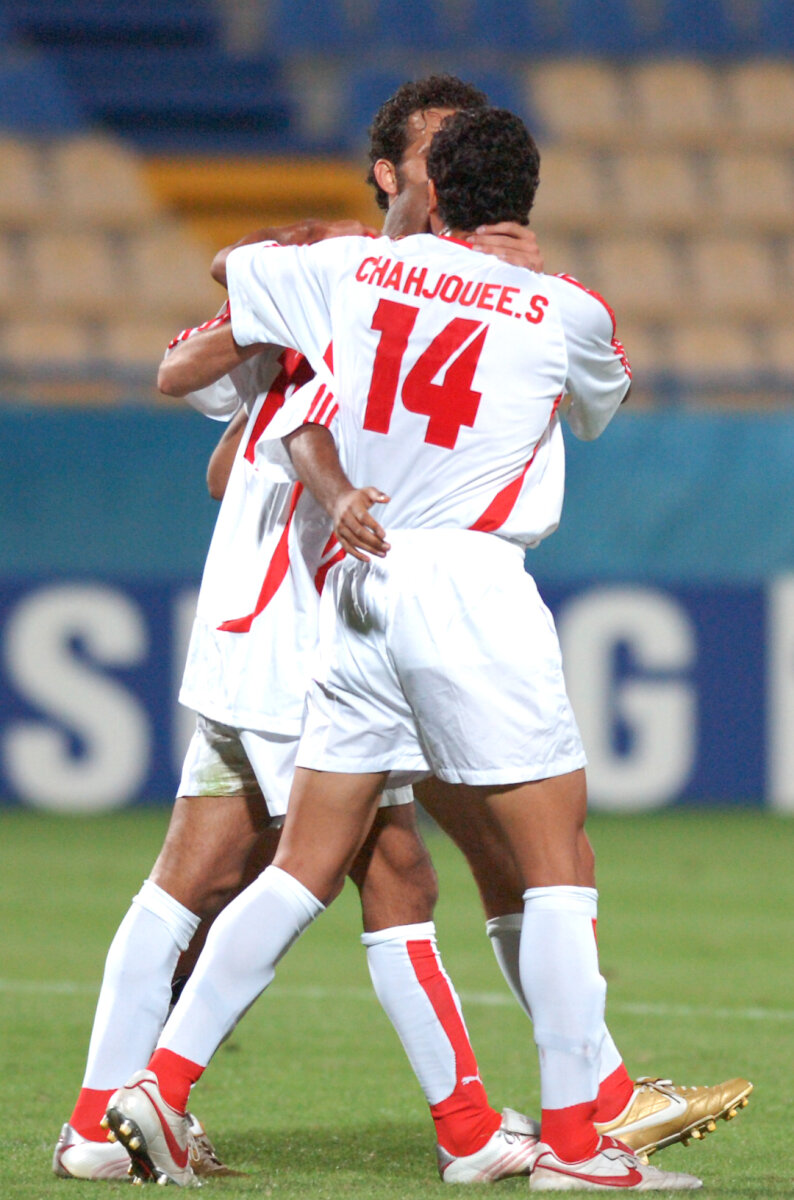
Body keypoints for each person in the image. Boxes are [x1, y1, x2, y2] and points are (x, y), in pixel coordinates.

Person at [104, 107, 721, 1190]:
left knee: (302, 865)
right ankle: (580, 1144)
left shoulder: (352, 273)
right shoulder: (564, 306)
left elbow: (235, 269)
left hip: (357, 580)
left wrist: (344, 240)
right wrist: (524, 278)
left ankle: (159, 1080)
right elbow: (597, 406)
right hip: (470, 583)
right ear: (526, 202)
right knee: (555, 866)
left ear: (429, 192)